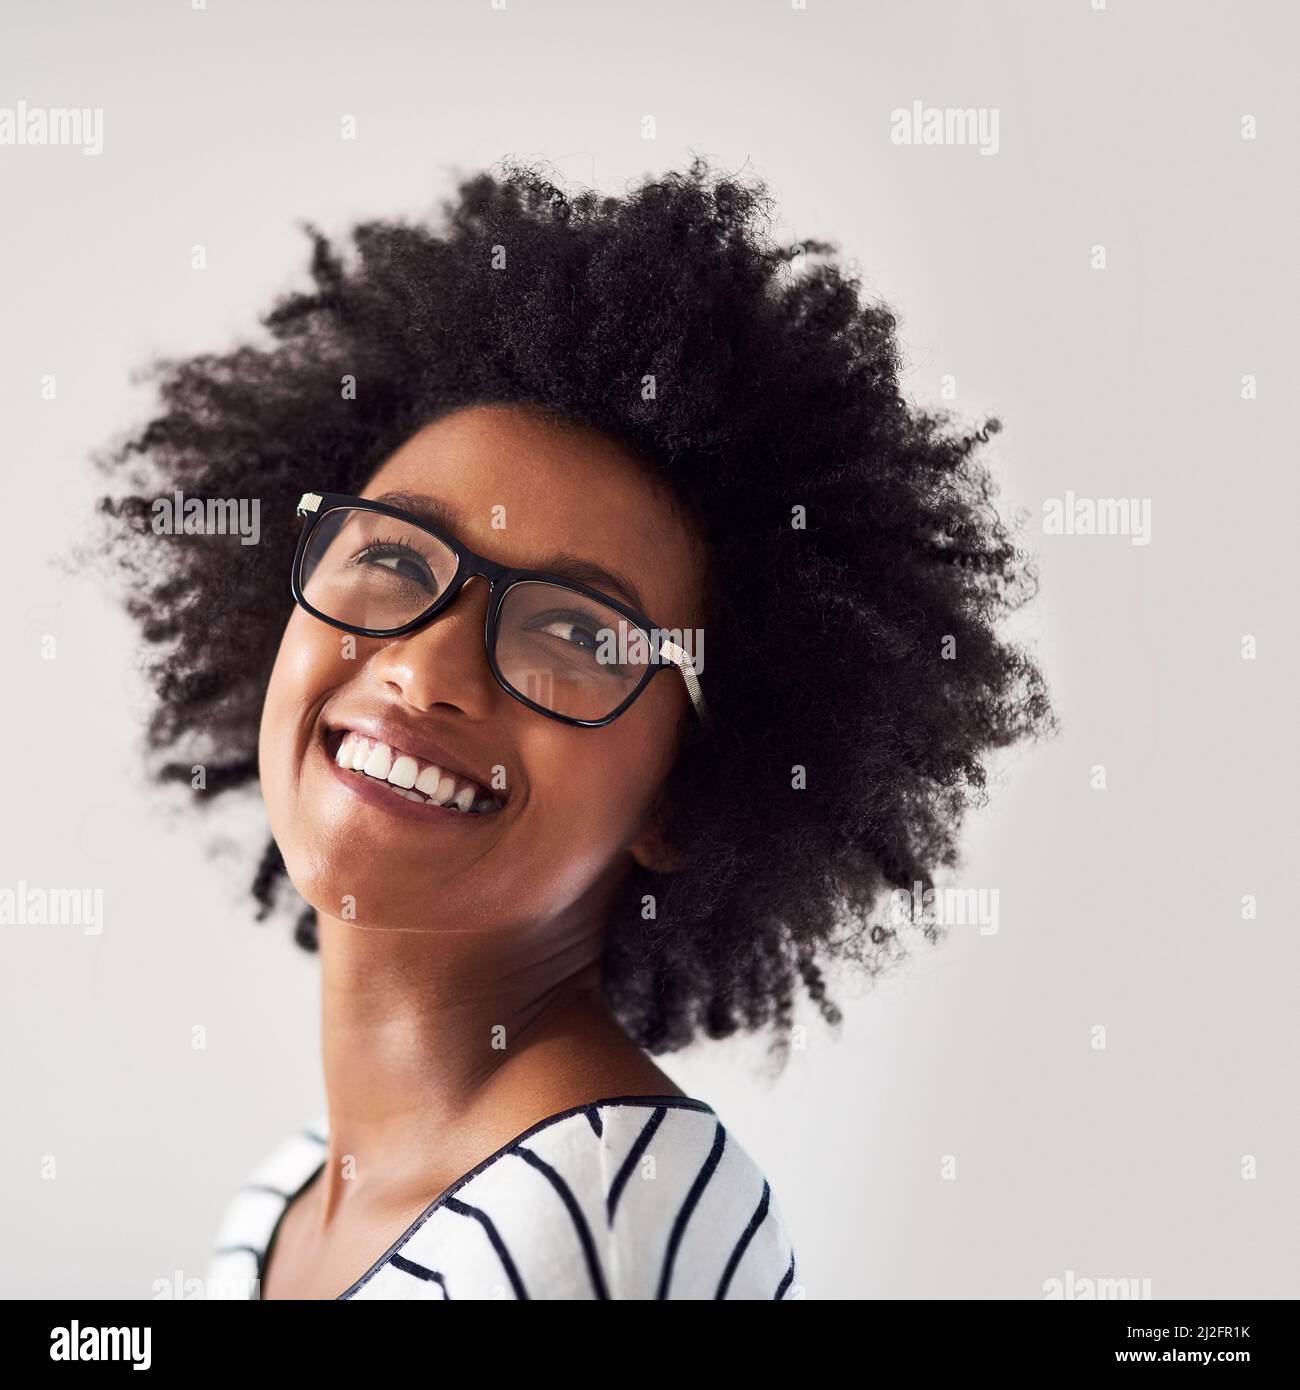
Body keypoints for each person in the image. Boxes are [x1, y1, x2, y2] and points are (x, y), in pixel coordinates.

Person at [93, 156, 1051, 1299]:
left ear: (681, 795)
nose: (426, 666)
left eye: (576, 634)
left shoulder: (609, 1212)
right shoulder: (286, 1202)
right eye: (393, 558)